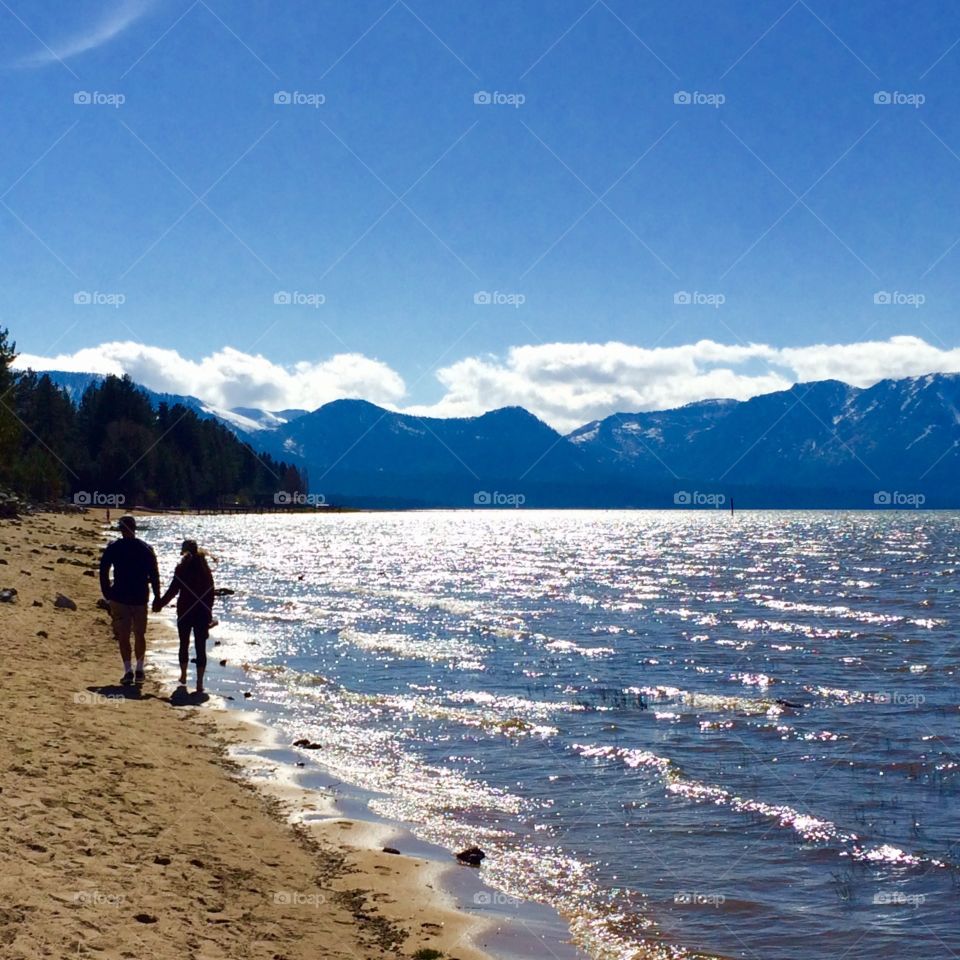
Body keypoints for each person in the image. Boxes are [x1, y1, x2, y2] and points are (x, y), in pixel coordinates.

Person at [99, 515, 161, 685]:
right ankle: (139, 669)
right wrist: (157, 597)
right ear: (134, 528)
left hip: (120, 596)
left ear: (121, 529)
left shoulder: (114, 547)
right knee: (140, 634)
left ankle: (128, 670)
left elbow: (103, 569)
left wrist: (107, 592)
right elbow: (154, 575)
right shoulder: (146, 548)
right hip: (140, 597)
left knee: (124, 635)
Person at [154, 540, 215, 694]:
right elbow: (211, 593)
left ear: (184, 552)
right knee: (200, 646)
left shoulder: (181, 569)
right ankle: (199, 683)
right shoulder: (205, 570)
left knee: (184, 644)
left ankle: (183, 675)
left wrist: (160, 604)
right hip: (201, 612)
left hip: (185, 612)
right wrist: (209, 612)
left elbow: (173, 590)